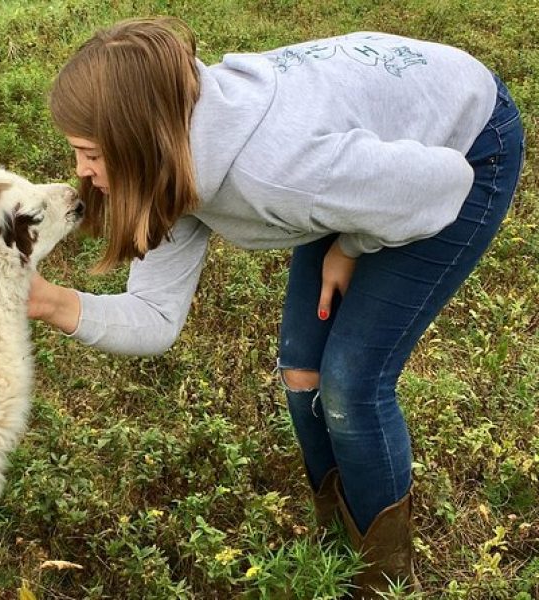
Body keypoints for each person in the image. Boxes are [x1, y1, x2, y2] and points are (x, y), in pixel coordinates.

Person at [28, 17, 525, 597]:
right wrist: (49, 302)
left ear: (143, 139)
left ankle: (382, 583)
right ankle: (338, 554)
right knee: (302, 373)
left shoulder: (281, 174)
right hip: (348, 157)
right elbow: (156, 317)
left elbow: (438, 186)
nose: (80, 173)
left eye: (90, 154)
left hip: (463, 144)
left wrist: (350, 245)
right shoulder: (176, 163)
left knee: (351, 386)